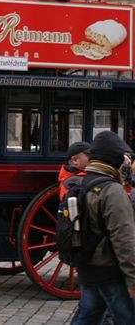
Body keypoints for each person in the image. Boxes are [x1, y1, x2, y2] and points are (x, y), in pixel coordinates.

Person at [71, 131, 135, 324]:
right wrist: (133, 278)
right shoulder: (112, 190)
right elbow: (124, 239)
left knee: (87, 317)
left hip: (88, 267)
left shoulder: (84, 183)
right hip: (110, 269)